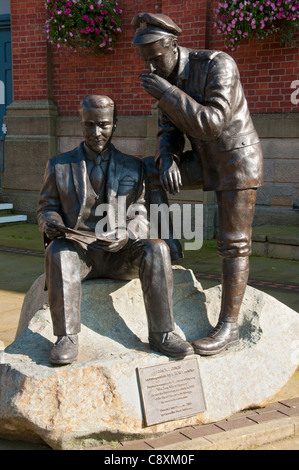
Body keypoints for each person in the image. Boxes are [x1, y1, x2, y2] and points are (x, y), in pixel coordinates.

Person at [132, 13, 264, 356]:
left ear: (174, 45)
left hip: (236, 161)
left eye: (156, 58)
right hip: (204, 161)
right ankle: (169, 245)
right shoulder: (164, 78)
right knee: (146, 172)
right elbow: (168, 132)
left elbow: (212, 123)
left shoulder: (217, 65)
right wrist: (169, 159)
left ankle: (229, 327)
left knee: (233, 243)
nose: (152, 66)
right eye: (146, 60)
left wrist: (167, 93)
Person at [37, 94, 193, 365]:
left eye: (103, 125)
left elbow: (142, 211)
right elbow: (46, 207)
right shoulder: (59, 165)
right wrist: (50, 222)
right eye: (90, 125)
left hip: (120, 254)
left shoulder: (132, 165)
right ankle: (66, 337)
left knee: (156, 248)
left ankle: (162, 332)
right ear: (81, 123)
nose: (96, 132)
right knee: (58, 252)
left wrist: (128, 233)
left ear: (115, 124)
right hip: (79, 253)